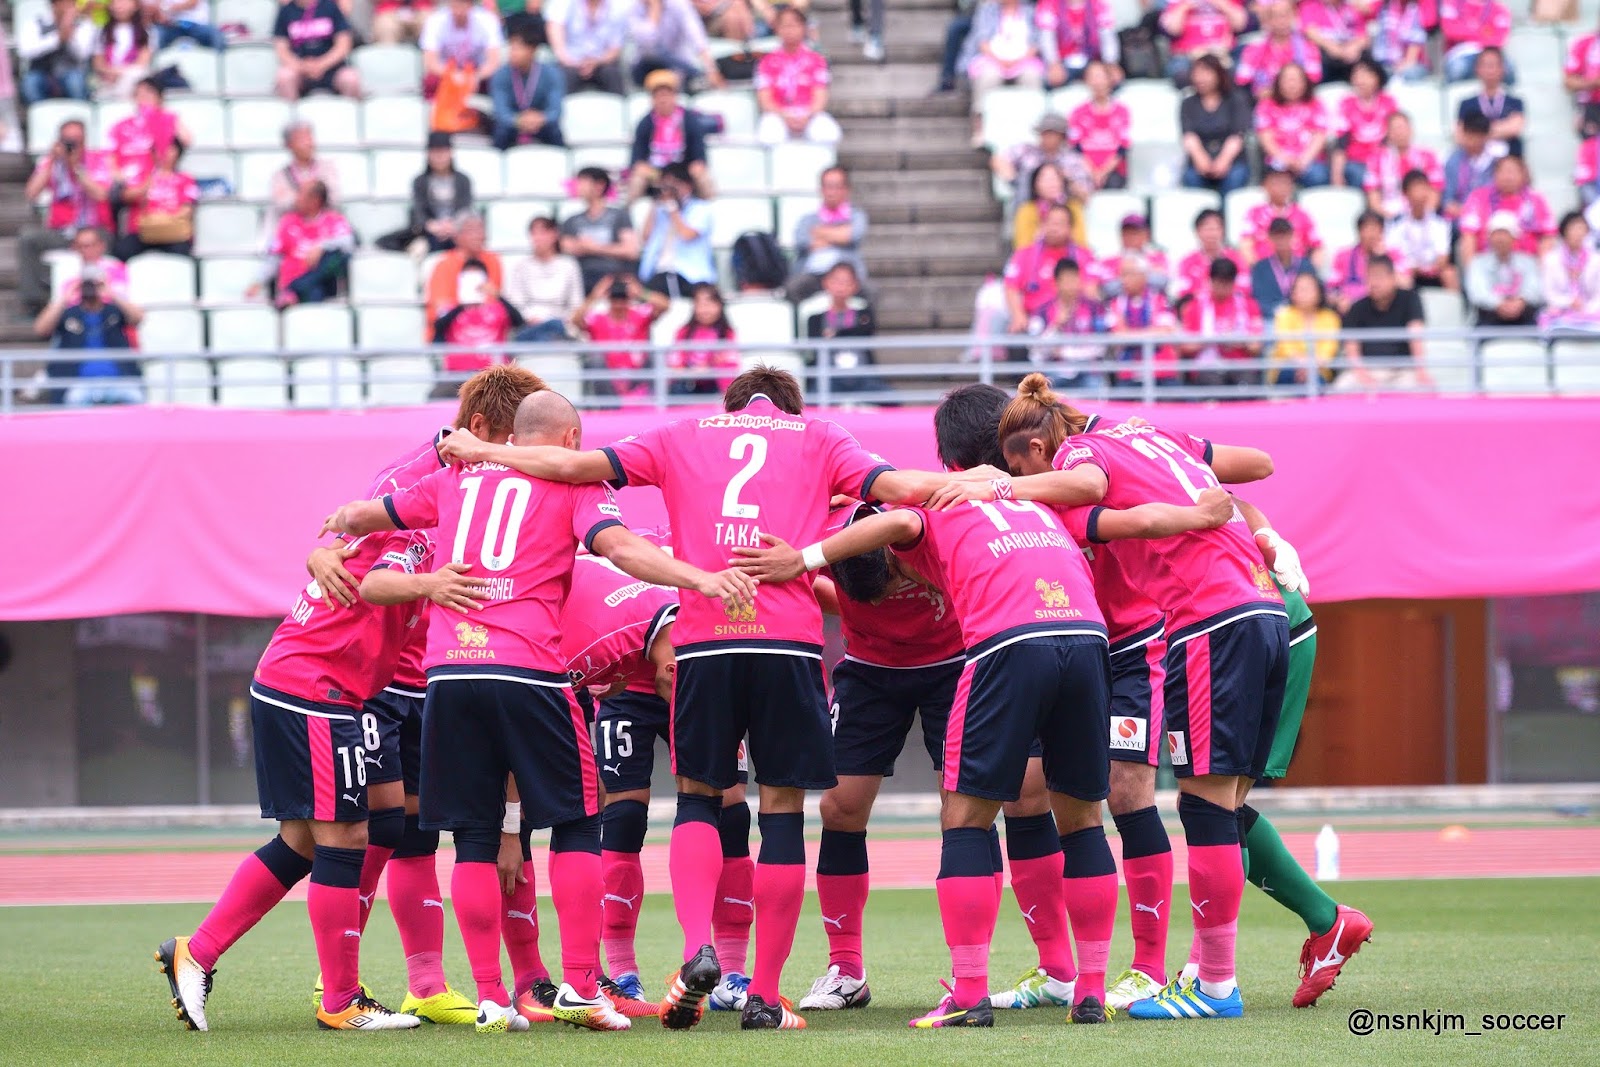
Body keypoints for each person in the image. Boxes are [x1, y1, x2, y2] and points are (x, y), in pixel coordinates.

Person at [435, 365, 967, 1031]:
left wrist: (486, 450)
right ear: (790, 408)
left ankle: (695, 951)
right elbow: (904, 493)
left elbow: (575, 465)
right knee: (778, 812)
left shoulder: (680, 432)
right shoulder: (822, 436)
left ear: (731, 405)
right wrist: (979, 480)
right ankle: (765, 997)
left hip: (702, 638)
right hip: (786, 640)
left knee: (696, 796)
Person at [737, 388, 1236, 1028]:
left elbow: (898, 526)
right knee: (1081, 815)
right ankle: (1086, 991)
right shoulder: (1042, 496)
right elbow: (1140, 517)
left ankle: (975, 993)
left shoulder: (935, 499)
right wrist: (1211, 515)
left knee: (971, 815)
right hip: (1080, 641)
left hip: (1002, 646)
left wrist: (799, 560)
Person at [320, 389, 756, 1034]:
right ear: (571, 440)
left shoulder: (453, 478)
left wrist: (330, 536)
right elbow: (621, 550)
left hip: (449, 675)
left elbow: (368, 514)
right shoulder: (574, 486)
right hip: (527, 670)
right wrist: (697, 579)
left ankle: (493, 999)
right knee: (579, 824)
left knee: (472, 836)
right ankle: (581, 985)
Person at [937, 381, 1289, 1026]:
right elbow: (1241, 478)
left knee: (1138, 794)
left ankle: (1167, 971)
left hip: (1145, 642)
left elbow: (1137, 503)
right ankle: (1066, 969)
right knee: (1033, 793)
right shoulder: (1147, 435)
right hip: (1153, 627)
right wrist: (1263, 538)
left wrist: (1002, 486)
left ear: (1037, 447)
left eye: (1020, 468)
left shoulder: (1077, 465)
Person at [297, 368, 547, 1029]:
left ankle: (426, 984)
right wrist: (319, 553)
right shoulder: (414, 473)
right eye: (514, 439)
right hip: (375, 683)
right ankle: (336, 977)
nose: (520, 452)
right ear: (488, 432)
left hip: (433, 677)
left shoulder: (505, 483)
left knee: (412, 830)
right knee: (366, 830)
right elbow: (350, 543)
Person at [563, 545, 746, 1019]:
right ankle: (623, 970)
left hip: (698, 675)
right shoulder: (604, 639)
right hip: (629, 687)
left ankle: (732, 970)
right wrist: (601, 685)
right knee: (623, 817)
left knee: (731, 809)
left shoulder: (698, 572)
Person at [19, 119, 114, 315]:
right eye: (68, 140)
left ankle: (100, 299)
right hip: (62, 231)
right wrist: (53, 162)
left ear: (85, 140)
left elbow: (101, 194)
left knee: (100, 240)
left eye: (76, 140)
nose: (72, 145)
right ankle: (35, 303)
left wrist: (76, 167)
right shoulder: (52, 163)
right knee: (28, 239)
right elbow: (31, 193)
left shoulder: (97, 160)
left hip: (93, 228)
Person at [33, 267, 145, 406]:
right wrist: (64, 298)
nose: (90, 289)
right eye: (87, 284)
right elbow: (40, 329)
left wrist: (111, 293)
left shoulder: (113, 311)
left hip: (118, 380)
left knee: (136, 399)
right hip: (79, 384)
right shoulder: (70, 313)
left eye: (94, 284)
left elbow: (138, 318)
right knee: (74, 402)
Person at [251, 180, 354, 307]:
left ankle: (295, 290)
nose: (297, 198)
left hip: (322, 282)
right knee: (315, 291)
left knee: (337, 256)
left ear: (315, 200)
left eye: (301, 194)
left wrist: (321, 246)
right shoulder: (288, 221)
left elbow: (348, 243)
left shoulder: (333, 220)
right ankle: (299, 290)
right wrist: (258, 281)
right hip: (298, 280)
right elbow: (274, 256)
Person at [962, 0, 1045, 147]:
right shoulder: (987, 11)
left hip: (1023, 59)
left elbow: (1036, 41)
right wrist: (1000, 60)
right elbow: (982, 41)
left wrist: (1019, 59)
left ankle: (1035, 128)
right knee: (988, 78)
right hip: (993, 59)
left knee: (1032, 77)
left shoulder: (1030, 11)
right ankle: (980, 127)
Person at [1342, 253, 1430, 389]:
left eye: (1379, 276)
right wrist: (1363, 375)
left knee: (1421, 389)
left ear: (1393, 277)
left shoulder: (1410, 299)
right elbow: (1351, 348)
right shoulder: (1357, 307)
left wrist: (1420, 370)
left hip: (1403, 370)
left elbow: (1415, 335)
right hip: (1369, 369)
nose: (1374, 282)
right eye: (1370, 277)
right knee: (1342, 388)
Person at [432, 258, 526, 384]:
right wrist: (462, 304)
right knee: (436, 396)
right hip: (457, 376)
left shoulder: (498, 308)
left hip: (494, 376)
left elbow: (519, 322)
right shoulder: (451, 310)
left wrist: (498, 296)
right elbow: (438, 329)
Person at [756, 7, 842, 146]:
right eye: (784, 25)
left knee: (828, 133)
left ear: (803, 28)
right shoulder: (766, 61)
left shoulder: (817, 60)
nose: (789, 30)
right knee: (769, 134)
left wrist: (806, 116)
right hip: (779, 113)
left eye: (793, 25)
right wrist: (785, 116)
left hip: (808, 112)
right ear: (777, 29)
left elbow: (820, 97)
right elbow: (765, 100)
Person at [379, 131, 475, 253]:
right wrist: (432, 225)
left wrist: (453, 225)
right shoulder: (420, 181)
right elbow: (419, 210)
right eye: (435, 152)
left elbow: (465, 208)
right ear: (428, 155)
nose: (439, 157)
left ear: (451, 153)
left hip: (457, 231)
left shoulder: (463, 180)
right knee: (418, 248)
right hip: (430, 232)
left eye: (443, 152)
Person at [575, 275, 666, 401]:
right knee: (595, 360)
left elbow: (665, 305)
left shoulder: (639, 314)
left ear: (629, 298)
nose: (618, 303)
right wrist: (595, 295)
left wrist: (641, 292)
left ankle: (653, 402)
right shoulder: (597, 319)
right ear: (608, 298)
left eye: (622, 298)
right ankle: (610, 407)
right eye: (614, 298)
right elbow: (575, 319)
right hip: (608, 382)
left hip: (637, 378)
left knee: (655, 356)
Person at [1176, 258, 1263, 388]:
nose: (1223, 288)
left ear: (1234, 282)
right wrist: (1213, 339)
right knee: (1213, 384)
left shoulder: (1249, 305)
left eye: (1227, 283)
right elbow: (1185, 346)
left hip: (1240, 365)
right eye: (1219, 282)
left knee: (1246, 385)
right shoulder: (1195, 306)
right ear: (1210, 281)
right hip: (1207, 367)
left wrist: (1240, 342)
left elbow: (1257, 346)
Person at [788, 167, 869, 303]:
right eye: (828, 186)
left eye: (837, 186)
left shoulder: (857, 216)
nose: (832, 191)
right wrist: (839, 234)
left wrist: (819, 233)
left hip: (847, 274)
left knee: (870, 291)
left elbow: (853, 236)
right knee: (792, 288)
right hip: (813, 275)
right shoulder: (807, 218)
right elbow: (802, 241)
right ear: (821, 189)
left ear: (846, 189)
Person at [627, 68, 709, 201]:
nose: (663, 100)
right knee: (637, 177)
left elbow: (699, 158)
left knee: (703, 175)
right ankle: (629, 214)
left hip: (683, 170)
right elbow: (637, 161)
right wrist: (656, 174)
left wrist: (689, 171)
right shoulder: (645, 123)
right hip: (656, 173)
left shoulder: (689, 121)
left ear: (675, 96)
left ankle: (708, 210)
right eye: (658, 95)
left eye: (666, 95)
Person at [1004, 203, 1088, 331]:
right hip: (1033, 320)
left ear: (1070, 228)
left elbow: (1090, 289)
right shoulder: (1024, 254)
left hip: (1075, 319)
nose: (1054, 228)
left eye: (1059, 223)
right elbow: (1011, 287)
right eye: (1049, 222)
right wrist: (1018, 315)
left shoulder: (1083, 256)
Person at [1457, 154, 1554, 264]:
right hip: (1487, 263)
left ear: (1523, 174)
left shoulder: (1536, 200)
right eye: (1502, 171)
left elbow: (1548, 236)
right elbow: (1468, 235)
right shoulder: (1478, 197)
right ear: (1494, 175)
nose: (1507, 177)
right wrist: (1473, 272)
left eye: (1512, 172)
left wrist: (1540, 268)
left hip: (1527, 264)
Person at [637, 163, 716, 298]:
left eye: (674, 185)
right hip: (658, 274)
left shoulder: (701, 209)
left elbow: (687, 235)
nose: (669, 190)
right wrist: (656, 202)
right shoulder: (660, 210)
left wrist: (672, 207)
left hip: (691, 276)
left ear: (688, 186)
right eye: (665, 185)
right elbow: (646, 238)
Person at [1026, 257, 1105, 388]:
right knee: (1046, 389)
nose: (1071, 285)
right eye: (1066, 281)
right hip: (1054, 372)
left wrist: (1066, 352)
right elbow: (1036, 351)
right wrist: (1056, 325)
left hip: (1088, 370)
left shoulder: (1095, 309)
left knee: (1096, 385)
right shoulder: (1042, 312)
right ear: (1056, 283)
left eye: (1074, 279)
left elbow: (1101, 346)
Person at [114, 136, 198, 259]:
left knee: (182, 252)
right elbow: (126, 197)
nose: (164, 154)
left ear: (178, 153)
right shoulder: (141, 176)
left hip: (172, 232)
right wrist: (144, 187)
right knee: (122, 249)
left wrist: (163, 220)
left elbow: (187, 208)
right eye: (160, 149)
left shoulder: (186, 179)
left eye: (169, 149)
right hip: (143, 232)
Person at [560, 167, 641, 293]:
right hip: (582, 280)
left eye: (583, 182)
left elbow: (631, 250)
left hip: (614, 279)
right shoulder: (572, 220)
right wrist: (611, 249)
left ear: (600, 185)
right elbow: (566, 247)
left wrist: (593, 248)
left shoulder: (619, 216)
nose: (579, 186)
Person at [1179, 54, 1250, 194]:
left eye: (1206, 72)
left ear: (1218, 74)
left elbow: (1237, 135)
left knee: (1235, 178)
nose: (1200, 78)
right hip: (1199, 160)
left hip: (1232, 160)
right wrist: (1202, 161)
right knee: (1191, 178)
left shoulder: (1236, 100)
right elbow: (1189, 136)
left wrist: (1223, 161)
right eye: (1196, 73)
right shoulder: (1188, 103)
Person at [507, 215, 585, 342]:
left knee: (557, 329)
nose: (537, 238)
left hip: (561, 323)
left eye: (542, 233)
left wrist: (565, 320)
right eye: (534, 233)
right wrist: (530, 318)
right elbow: (516, 304)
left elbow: (575, 303)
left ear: (554, 235)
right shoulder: (521, 266)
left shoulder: (569, 265)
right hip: (530, 325)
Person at [425, 213, 502, 338]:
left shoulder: (493, 260)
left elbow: (493, 300)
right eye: (471, 230)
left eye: (481, 229)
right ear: (456, 236)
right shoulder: (444, 265)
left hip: (486, 330)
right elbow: (441, 308)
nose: (478, 235)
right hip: (450, 332)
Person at [490, 22, 565, 148]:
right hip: (513, 124)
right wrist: (519, 120)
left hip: (541, 124)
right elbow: (500, 111)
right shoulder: (501, 75)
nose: (512, 53)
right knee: (501, 129)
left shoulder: (551, 74)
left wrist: (541, 119)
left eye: (518, 48)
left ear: (532, 50)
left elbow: (555, 110)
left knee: (554, 129)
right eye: (511, 48)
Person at [1255, 63, 1330, 188]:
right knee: (1277, 182)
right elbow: (1266, 139)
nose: (1291, 84)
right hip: (1277, 162)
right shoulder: (1266, 105)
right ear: (1278, 82)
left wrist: (1303, 160)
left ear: (1305, 82)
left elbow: (1319, 136)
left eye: (1296, 79)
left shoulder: (1315, 104)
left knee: (1318, 176)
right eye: (1287, 80)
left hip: (1309, 161)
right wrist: (1286, 160)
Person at [991, 113, 1092, 207]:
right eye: (1044, 133)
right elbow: (997, 160)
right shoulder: (1026, 151)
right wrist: (1014, 179)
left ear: (1062, 136)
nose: (1047, 137)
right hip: (1028, 205)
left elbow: (1085, 196)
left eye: (1052, 133)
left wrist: (1067, 180)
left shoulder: (1072, 160)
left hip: (1061, 212)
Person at [1103, 255, 1177, 379]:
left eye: (1128, 274)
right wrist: (1149, 334)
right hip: (1127, 372)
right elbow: (1116, 335)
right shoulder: (1115, 303)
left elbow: (1165, 332)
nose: (1123, 280)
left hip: (1161, 372)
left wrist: (1130, 335)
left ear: (1143, 276)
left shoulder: (1160, 299)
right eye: (1122, 274)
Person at [1465, 212, 1542, 328]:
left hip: (1523, 317)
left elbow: (1535, 289)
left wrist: (1520, 302)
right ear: (1489, 237)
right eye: (1496, 234)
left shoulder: (1528, 262)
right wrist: (1499, 304)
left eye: (1505, 233)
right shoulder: (1478, 263)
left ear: (1515, 237)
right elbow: (1477, 293)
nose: (1500, 238)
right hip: (1490, 318)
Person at [108, 78, 189, 189]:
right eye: (139, 93)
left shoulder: (167, 121)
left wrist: (164, 116)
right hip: (126, 184)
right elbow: (111, 154)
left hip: (155, 183)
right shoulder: (121, 126)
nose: (143, 97)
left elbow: (186, 140)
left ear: (159, 97)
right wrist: (116, 174)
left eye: (148, 92)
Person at [273, 0, 362, 100]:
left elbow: (344, 45)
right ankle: (291, 114)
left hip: (332, 69)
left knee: (350, 78)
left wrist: (321, 65)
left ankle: (349, 114)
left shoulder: (331, 7)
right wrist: (302, 66)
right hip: (300, 70)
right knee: (285, 77)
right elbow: (281, 49)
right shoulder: (286, 11)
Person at [1386, 170, 1457, 290]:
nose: (1420, 194)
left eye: (1424, 189)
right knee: (1399, 277)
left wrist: (1431, 267)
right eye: (1415, 190)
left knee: (1450, 273)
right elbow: (1394, 255)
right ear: (1405, 193)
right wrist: (1413, 268)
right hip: (1409, 272)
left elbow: (1443, 256)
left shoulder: (1440, 223)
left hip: (1433, 272)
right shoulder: (1395, 224)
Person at [1328, 210, 1412, 313]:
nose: (1372, 234)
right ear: (1359, 231)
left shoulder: (1394, 255)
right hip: (1353, 309)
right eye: (1367, 229)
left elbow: (1407, 284)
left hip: (1386, 307)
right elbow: (1331, 289)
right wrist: (1339, 299)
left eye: (1376, 229)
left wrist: (1384, 258)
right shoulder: (1343, 256)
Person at [1363, 112, 1441, 219]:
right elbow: (1373, 198)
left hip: (1422, 216)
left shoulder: (1428, 156)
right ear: (1388, 133)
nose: (1399, 132)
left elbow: (1434, 192)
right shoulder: (1376, 158)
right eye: (1395, 129)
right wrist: (1390, 217)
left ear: (1411, 129)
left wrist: (1421, 216)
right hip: (1389, 216)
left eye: (1402, 127)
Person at [1331, 59, 1395, 189]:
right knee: (1359, 174)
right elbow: (1341, 143)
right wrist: (1336, 175)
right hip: (1356, 162)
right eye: (1357, 75)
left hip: (1382, 161)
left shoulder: (1388, 103)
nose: (1361, 80)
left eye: (1366, 75)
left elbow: (1392, 137)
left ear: (1378, 78)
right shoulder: (1346, 104)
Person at [1235, 0, 1321, 96]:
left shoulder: (1309, 48)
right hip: (1264, 104)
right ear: (1267, 21)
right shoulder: (1253, 50)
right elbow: (1242, 80)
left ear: (1294, 16)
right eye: (1276, 17)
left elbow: (1314, 79)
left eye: (1286, 15)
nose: (1282, 21)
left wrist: (1276, 93)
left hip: (1300, 104)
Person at [630, 0, 723, 88]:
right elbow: (648, 42)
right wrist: (655, 9)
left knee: (675, 64)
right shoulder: (634, 9)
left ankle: (696, 76)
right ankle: (695, 75)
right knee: (658, 52)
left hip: (678, 63)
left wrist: (711, 69)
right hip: (645, 66)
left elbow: (696, 36)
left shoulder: (678, 4)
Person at [268, 122, 341, 231]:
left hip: (324, 232)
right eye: (302, 138)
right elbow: (282, 203)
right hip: (294, 233)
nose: (309, 143)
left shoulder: (328, 168)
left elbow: (333, 198)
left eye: (310, 137)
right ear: (288, 144)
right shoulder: (280, 175)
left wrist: (303, 198)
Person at [17, 0, 95, 103]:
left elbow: (83, 54)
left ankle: (79, 114)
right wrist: (57, 39)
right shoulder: (35, 22)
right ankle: (38, 115)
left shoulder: (82, 24)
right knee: (31, 82)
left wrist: (68, 28)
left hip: (71, 72)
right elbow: (25, 51)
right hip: (41, 73)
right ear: (53, 5)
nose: (68, 7)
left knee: (75, 81)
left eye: (71, 4)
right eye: (64, 3)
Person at [1243, 166, 1322, 267]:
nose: (1281, 187)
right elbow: (1245, 246)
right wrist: (1259, 271)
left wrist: (1309, 272)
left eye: (1285, 182)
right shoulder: (1254, 213)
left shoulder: (1302, 214)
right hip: (1264, 272)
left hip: (1297, 273)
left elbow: (1318, 247)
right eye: (1276, 182)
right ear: (1265, 185)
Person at [420, 0, 506, 94]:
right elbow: (431, 62)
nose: (459, 11)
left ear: (471, 5)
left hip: (477, 71)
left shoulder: (488, 20)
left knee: (498, 80)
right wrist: (452, 75)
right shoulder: (435, 21)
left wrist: (476, 77)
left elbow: (493, 61)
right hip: (446, 71)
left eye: (463, 5)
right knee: (430, 82)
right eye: (455, 5)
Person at [669, 283, 740, 395]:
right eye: (700, 304)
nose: (705, 310)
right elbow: (675, 362)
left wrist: (708, 369)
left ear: (719, 306)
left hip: (715, 387)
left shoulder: (727, 333)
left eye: (710, 304)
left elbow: (729, 363)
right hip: (688, 386)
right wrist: (690, 372)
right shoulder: (684, 332)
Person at [1068, 60, 1129, 190]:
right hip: (1085, 169)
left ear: (1109, 79)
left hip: (1113, 171)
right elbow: (1076, 147)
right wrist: (1092, 172)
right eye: (1092, 77)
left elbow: (1122, 148)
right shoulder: (1078, 112)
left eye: (1100, 76)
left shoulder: (1121, 111)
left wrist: (1103, 172)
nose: (1097, 82)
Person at [1271, 271, 1341, 384]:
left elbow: (1328, 351)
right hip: (1288, 368)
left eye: (1309, 289)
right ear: (1293, 293)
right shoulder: (1285, 315)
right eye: (1300, 289)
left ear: (1319, 292)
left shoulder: (1330, 317)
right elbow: (1287, 348)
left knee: (1315, 380)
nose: (1304, 293)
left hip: (1319, 370)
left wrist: (1310, 367)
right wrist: (1303, 365)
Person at [545, 0, 627, 94]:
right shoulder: (563, 3)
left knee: (613, 74)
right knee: (562, 77)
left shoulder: (617, 7)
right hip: (570, 62)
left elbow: (616, 48)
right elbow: (556, 40)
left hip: (602, 61)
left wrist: (596, 62)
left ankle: (620, 106)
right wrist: (573, 62)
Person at [1159, 0, 1248, 85]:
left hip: (1223, 53)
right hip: (1188, 55)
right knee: (1179, 71)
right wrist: (1185, 6)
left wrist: (1222, 4)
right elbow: (1173, 29)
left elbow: (1240, 25)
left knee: (1241, 71)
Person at [1173, 208, 1249, 304]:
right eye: (1207, 229)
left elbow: (1245, 288)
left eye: (1215, 229)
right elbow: (1184, 294)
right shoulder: (1187, 262)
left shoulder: (1235, 258)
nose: (1212, 234)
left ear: (1223, 231)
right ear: (1197, 231)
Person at [1458, 46, 1523, 158]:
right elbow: (1460, 135)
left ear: (1503, 69)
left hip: (1508, 160)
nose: (1490, 70)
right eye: (1485, 65)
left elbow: (1515, 128)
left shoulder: (1515, 102)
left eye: (1494, 65)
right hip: (1476, 161)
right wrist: (1502, 129)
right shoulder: (1467, 104)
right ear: (1477, 69)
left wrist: (1476, 133)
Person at [1036, 0, 1118, 87]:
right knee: (1052, 79)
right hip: (1061, 62)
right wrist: (1053, 64)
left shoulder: (1099, 4)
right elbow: (1047, 38)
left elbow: (1107, 37)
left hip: (1092, 60)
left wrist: (1110, 63)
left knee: (1106, 78)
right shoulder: (1049, 4)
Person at [1540, 212, 1600, 329]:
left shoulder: (1596, 260)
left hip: (1590, 312)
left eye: (1581, 229)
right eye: (1573, 229)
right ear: (1564, 232)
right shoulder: (1551, 260)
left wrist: (1586, 309)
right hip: (1561, 311)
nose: (1577, 233)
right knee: (1546, 317)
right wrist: (1568, 302)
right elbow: (1549, 293)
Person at [1248, 217, 1317, 320]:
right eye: (1276, 236)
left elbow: (1315, 294)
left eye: (1284, 235)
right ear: (1269, 238)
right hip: (1270, 320)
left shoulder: (1305, 265)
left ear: (1292, 236)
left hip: (1301, 319)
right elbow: (1258, 298)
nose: (1280, 240)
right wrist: (1276, 311)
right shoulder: (1260, 268)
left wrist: (1293, 312)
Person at [1090, 214, 1168, 299]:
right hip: (1116, 309)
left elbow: (1164, 282)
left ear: (1146, 235)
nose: (1130, 237)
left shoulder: (1157, 257)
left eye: (1134, 233)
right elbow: (1103, 290)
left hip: (1153, 308)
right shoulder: (1108, 261)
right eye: (1126, 233)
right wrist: (1142, 276)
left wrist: (1127, 278)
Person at [1011, 162, 1083, 249]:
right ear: (1035, 185)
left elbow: (1081, 242)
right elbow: (1021, 246)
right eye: (1046, 180)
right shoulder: (1026, 210)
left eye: (1055, 178)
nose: (1052, 184)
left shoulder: (1074, 207)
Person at [1441, 111, 1496, 222]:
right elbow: (1447, 202)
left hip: (1490, 220)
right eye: (1469, 134)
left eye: (1477, 135)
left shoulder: (1497, 162)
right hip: (1460, 220)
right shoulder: (1452, 162)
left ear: (1486, 136)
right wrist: (1468, 213)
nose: (1473, 140)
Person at [1299, 0, 1370, 84]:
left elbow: (1364, 37)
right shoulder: (1310, 6)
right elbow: (1310, 32)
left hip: (1350, 56)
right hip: (1326, 57)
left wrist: (1354, 47)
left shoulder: (1352, 7)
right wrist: (1334, 48)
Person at [1440, 0, 1511, 84]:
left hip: (1489, 53)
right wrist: (1483, 32)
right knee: (1458, 69)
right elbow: (1450, 31)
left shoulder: (1499, 9)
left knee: (1509, 70)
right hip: (1460, 53)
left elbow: (1499, 39)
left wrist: (1467, 31)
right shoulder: (1451, 4)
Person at [93, 0, 151, 100]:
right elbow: (98, 63)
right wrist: (109, 72)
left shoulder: (146, 31)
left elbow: (142, 63)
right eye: (116, 2)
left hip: (131, 78)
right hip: (107, 79)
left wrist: (118, 73)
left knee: (138, 73)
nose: (120, 6)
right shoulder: (102, 31)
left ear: (135, 5)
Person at [1369, 0, 1429, 83]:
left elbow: (1415, 44)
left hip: (1408, 65)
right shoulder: (1383, 6)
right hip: (1384, 63)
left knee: (1409, 73)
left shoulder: (1415, 11)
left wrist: (1402, 66)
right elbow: (1364, 9)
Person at [149, 0, 227, 50]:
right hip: (172, 26)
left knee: (216, 35)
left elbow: (192, 3)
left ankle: (219, 67)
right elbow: (157, 9)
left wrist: (168, 8)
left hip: (198, 25)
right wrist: (161, 15)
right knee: (156, 36)